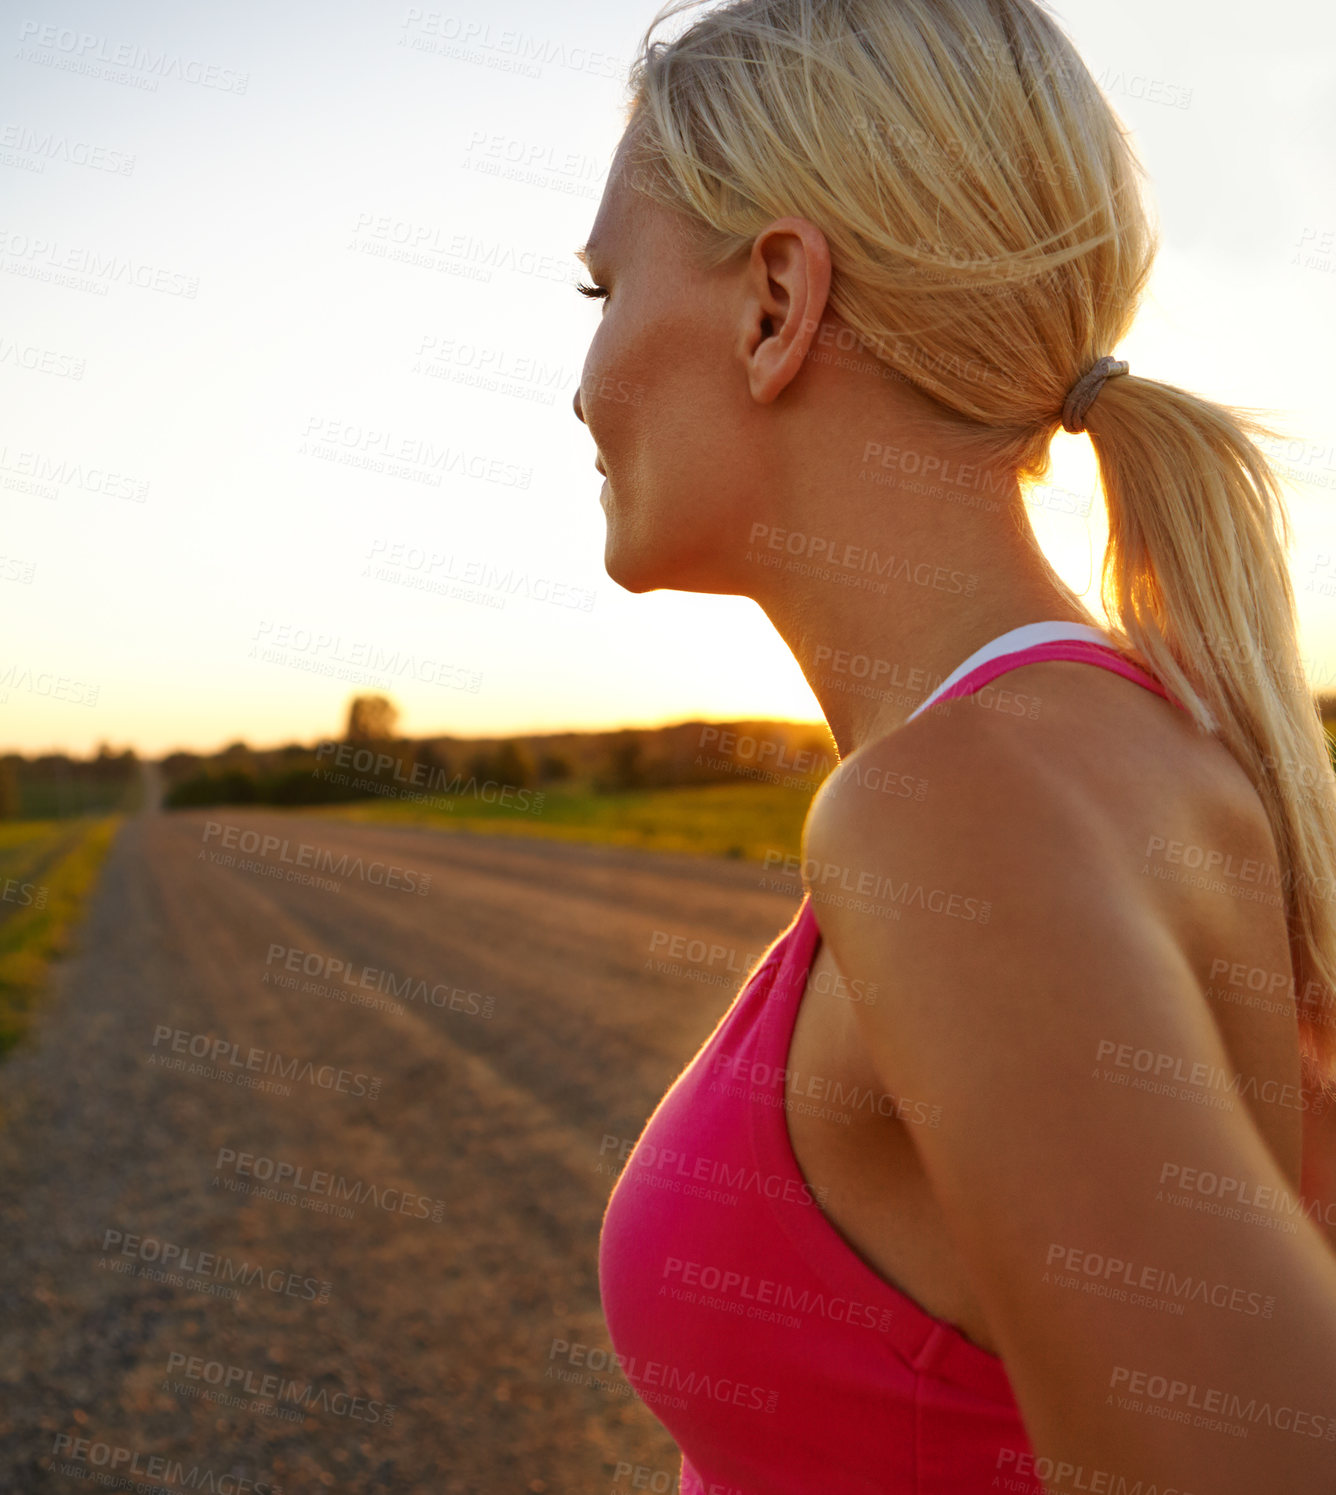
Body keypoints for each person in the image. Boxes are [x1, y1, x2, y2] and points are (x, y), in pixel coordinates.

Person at [570, 1, 1336, 1490]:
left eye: (598, 290)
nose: (583, 380)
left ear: (777, 300)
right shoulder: (1131, 750)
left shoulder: (951, 812)